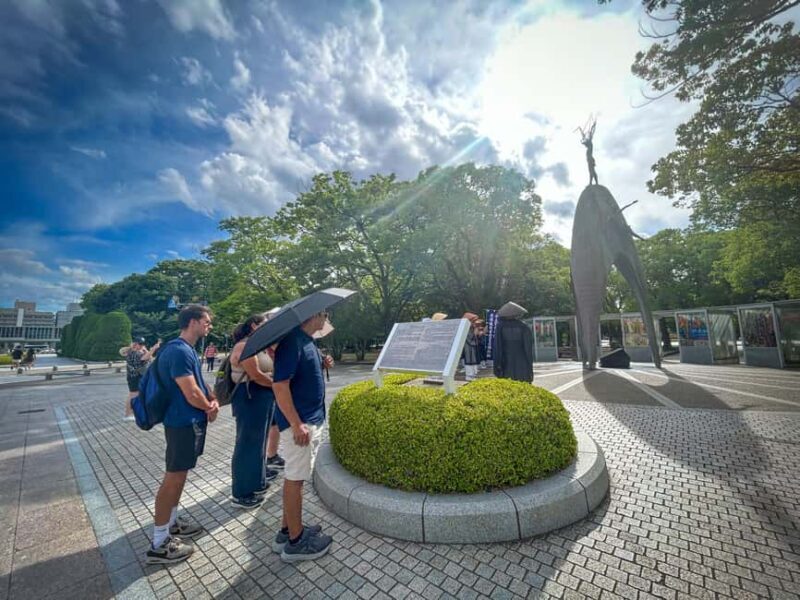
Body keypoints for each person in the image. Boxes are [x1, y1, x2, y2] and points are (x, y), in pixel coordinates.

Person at [146, 305, 219, 565]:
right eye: (206, 322)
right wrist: (208, 406)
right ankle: (159, 542)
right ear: (192, 322)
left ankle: (172, 523)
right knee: (173, 478)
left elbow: (198, 383)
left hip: (187, 421)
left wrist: (211, 397)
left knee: (180, 475)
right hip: (181, 422)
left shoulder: (187, 350)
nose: (209, 326)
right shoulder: (178, 351)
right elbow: (190, 392)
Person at [272, 311, 334, 562]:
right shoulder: (292, 342)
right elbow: (280, 385)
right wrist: (297, 424)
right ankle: (296, 543)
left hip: (310, 419)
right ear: (314, 316)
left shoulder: (307, 341)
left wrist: (323, 362)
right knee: (295, 479)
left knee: (296, 476)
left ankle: (287, 531)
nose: (326, 320)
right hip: (301, 423)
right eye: (325, 315)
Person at [228, 314, 277, 509]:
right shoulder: (244, 345)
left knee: (259, 441)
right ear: (253, 325)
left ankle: (256, 482)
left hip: (262, 397)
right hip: (249, 396)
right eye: (264, 324)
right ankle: (241, 493)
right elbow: (255, 374)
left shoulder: (261, 345)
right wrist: (277, 385)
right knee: (247, 443)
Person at [493, 301, 534, 383]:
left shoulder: (500, 327)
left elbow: (497, 347)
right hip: (522, 362)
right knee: (522, 385)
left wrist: (497, 365)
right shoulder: (524, 327)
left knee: (508, 385)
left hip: (506, 362)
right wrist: (530, 366)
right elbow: (528, 348)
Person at [125, 337, 160, 420]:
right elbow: (144, 358)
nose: (141, 346)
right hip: (134, 377)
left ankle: (132, 413)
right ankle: (128, 414)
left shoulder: (138, 351)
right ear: (135, 344)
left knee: (136, 395)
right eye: (140, 344)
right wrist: (154, 348)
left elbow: (150, 358)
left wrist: (147, 350)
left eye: (143, 344)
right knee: (133, 395)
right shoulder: (132, 352)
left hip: (138, 376)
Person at [461, 313, 481, 381]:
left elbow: (475, 338)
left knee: (473, 360)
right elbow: (470, 339)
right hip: (468, 348)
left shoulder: (472, 328)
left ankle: (473, 375)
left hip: (472, 348)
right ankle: (469, 376)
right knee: (469, 360)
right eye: (473, 321)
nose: (475, 322)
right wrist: (475, 333)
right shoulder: (466, 329)